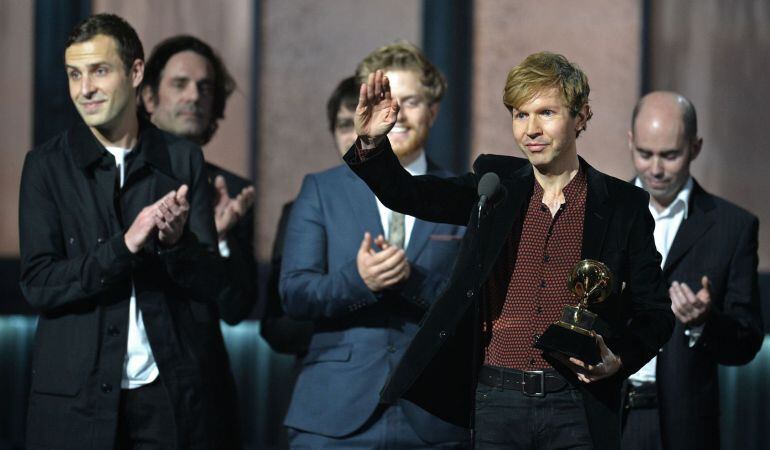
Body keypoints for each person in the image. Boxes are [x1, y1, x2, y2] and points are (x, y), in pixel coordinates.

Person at [345, 51, 675, 449]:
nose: (531, 129)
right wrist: (371, 142)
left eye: (546, 113)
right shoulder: (495, 187)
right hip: (495, 399)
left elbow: (655, 312)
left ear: (582, 116)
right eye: (520, 115)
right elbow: (411, 194)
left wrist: (618, 359)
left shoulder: (623, 205)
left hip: (578, 404)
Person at [19, 14, 242, 449]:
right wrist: (123, 247)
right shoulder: (46, 166)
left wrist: (178, 245)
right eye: (74, 75)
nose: (85, 89)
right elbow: (38, 284)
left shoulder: (181, 160)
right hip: (74, 400)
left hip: (168, 396)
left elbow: (212, 283)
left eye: (99, 71)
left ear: (136, 72)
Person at [279, 42, 468, 448]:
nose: (397, 114)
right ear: (365, 108)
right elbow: (293, 293)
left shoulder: (462, 194)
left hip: (435, 417)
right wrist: (358, 280)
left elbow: (475, 307)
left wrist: (411, 281)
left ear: (433, 111)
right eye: (386, 100)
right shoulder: (321, 189)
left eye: (411, 101)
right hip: (335, 416)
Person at [622, 91, 763, 450]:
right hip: (607, 417)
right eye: (645, 154)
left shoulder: (732, 227)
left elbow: (746, 341)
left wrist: (704, 320)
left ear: (695, 147)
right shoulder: (602, 213)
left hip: (685, 426)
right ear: (630, 142)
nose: (655, 168)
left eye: (670, 155)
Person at [140, 35, 257, 325]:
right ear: (149, 97)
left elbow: (236, 311)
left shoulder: (232, 192)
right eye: (180, 84)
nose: (194, 96)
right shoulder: (121, 173)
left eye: (204, 88)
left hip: (197, 360)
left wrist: (218, 239)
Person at [261, 76, 359, 356]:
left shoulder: (416, 204)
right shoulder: (302, 209)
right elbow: (276, 327)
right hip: (325, 372)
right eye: (344, 125)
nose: (356, 135)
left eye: (363, 120)